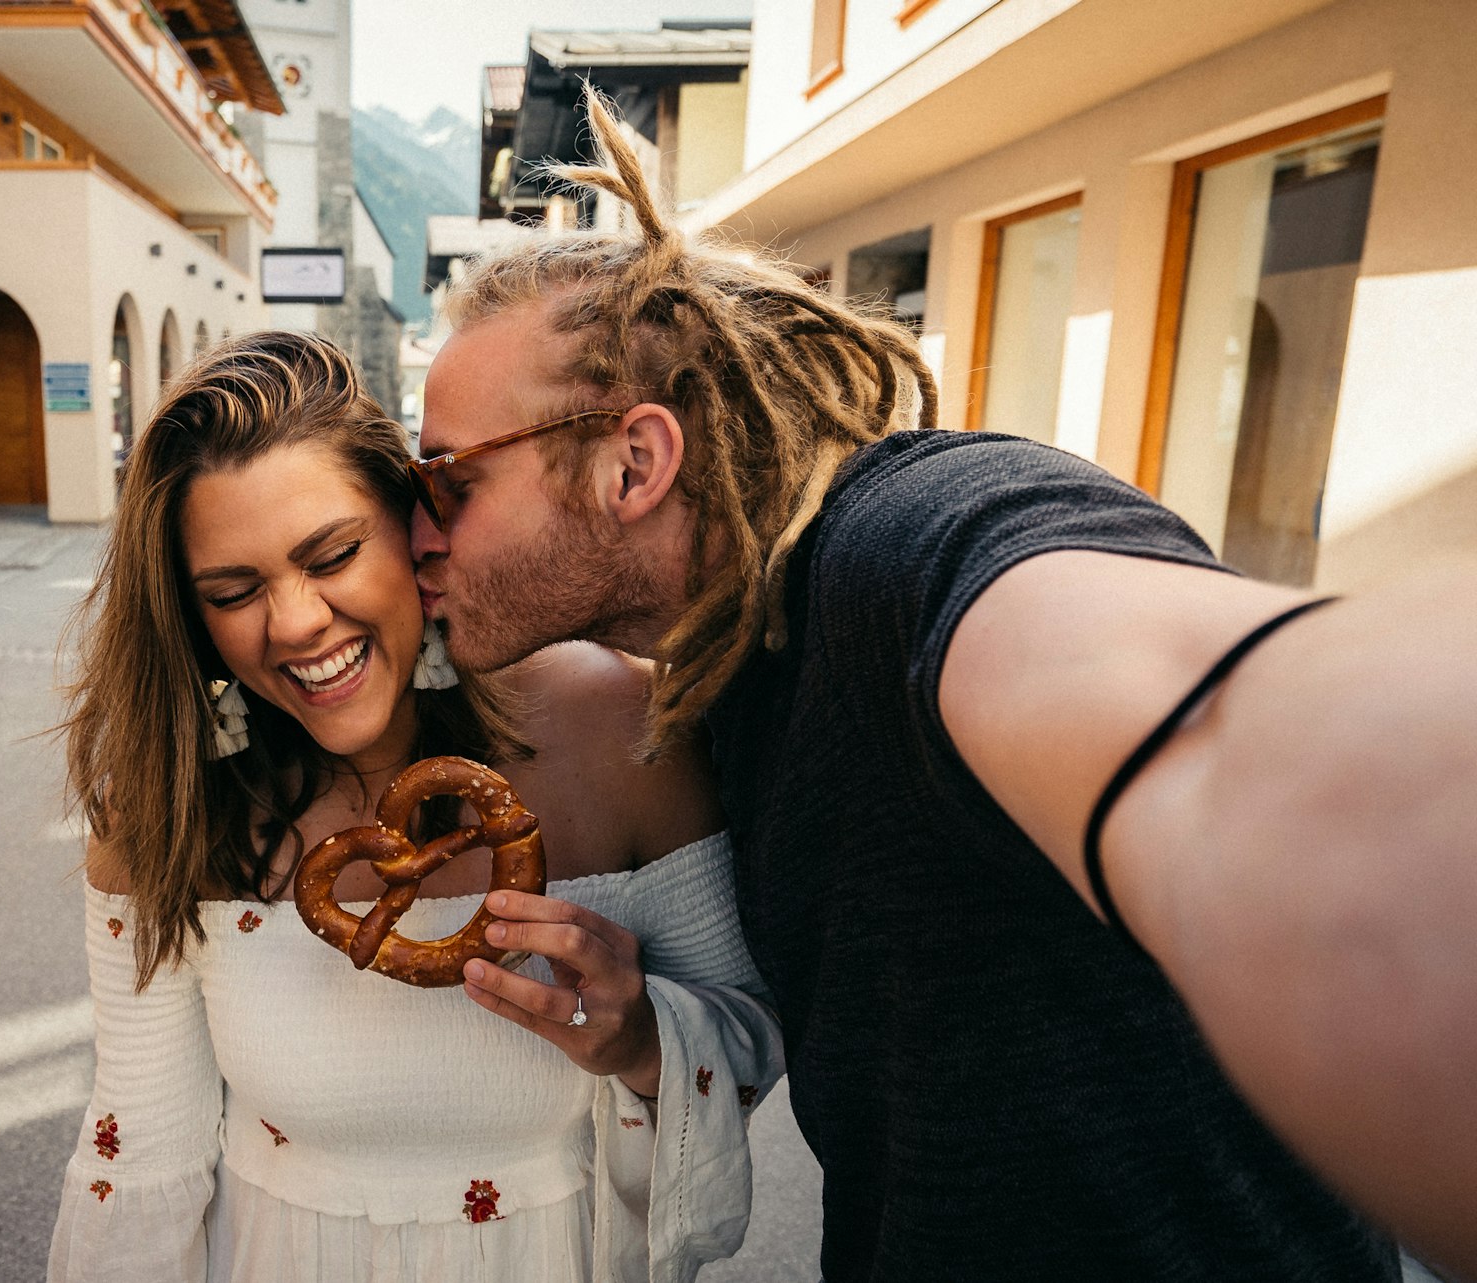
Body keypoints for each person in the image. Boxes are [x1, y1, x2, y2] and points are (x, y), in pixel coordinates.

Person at [410, 91, 1477, 1282]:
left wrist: (1316, 796)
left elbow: (1223, 734)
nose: (417, 530)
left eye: (448, 478)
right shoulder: (740, 665)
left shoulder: (906, 547)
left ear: (635, 462)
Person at [47, 330, 784, 1283]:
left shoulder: (620, 730)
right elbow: (140, 1138)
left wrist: (645, 1039)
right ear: (193, 619)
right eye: (235, 591)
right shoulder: (169, 807)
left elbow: (755, 1043)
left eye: (334, 554)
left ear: (414, 531)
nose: (296, 622)